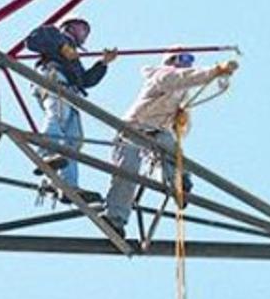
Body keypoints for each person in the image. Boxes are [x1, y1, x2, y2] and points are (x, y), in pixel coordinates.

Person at [98, 50, 239, 236]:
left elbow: (183, 129)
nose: (188, 64)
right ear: (172, 60)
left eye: (191, 60)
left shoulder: (181, 93)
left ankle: (178, 182)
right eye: (185, 59)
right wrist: (215, 71)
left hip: (157, 132)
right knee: (128, 172)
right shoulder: (162, 75)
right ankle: (114, 218)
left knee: (171, 150)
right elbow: (184, 77)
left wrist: (181, 120)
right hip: (133, 128)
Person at [25, 15, 117, 195]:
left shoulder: (73, 58)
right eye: (83, 29)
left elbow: (85, 80)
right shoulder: (54, 34)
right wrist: (60, 45)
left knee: (74, 138)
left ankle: (67, 185)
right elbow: (31, 41)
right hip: (54, 80)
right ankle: (46, 153)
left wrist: (103, 63)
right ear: (70, 27)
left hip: (70, 91)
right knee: (57, 117)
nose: (85, 34)